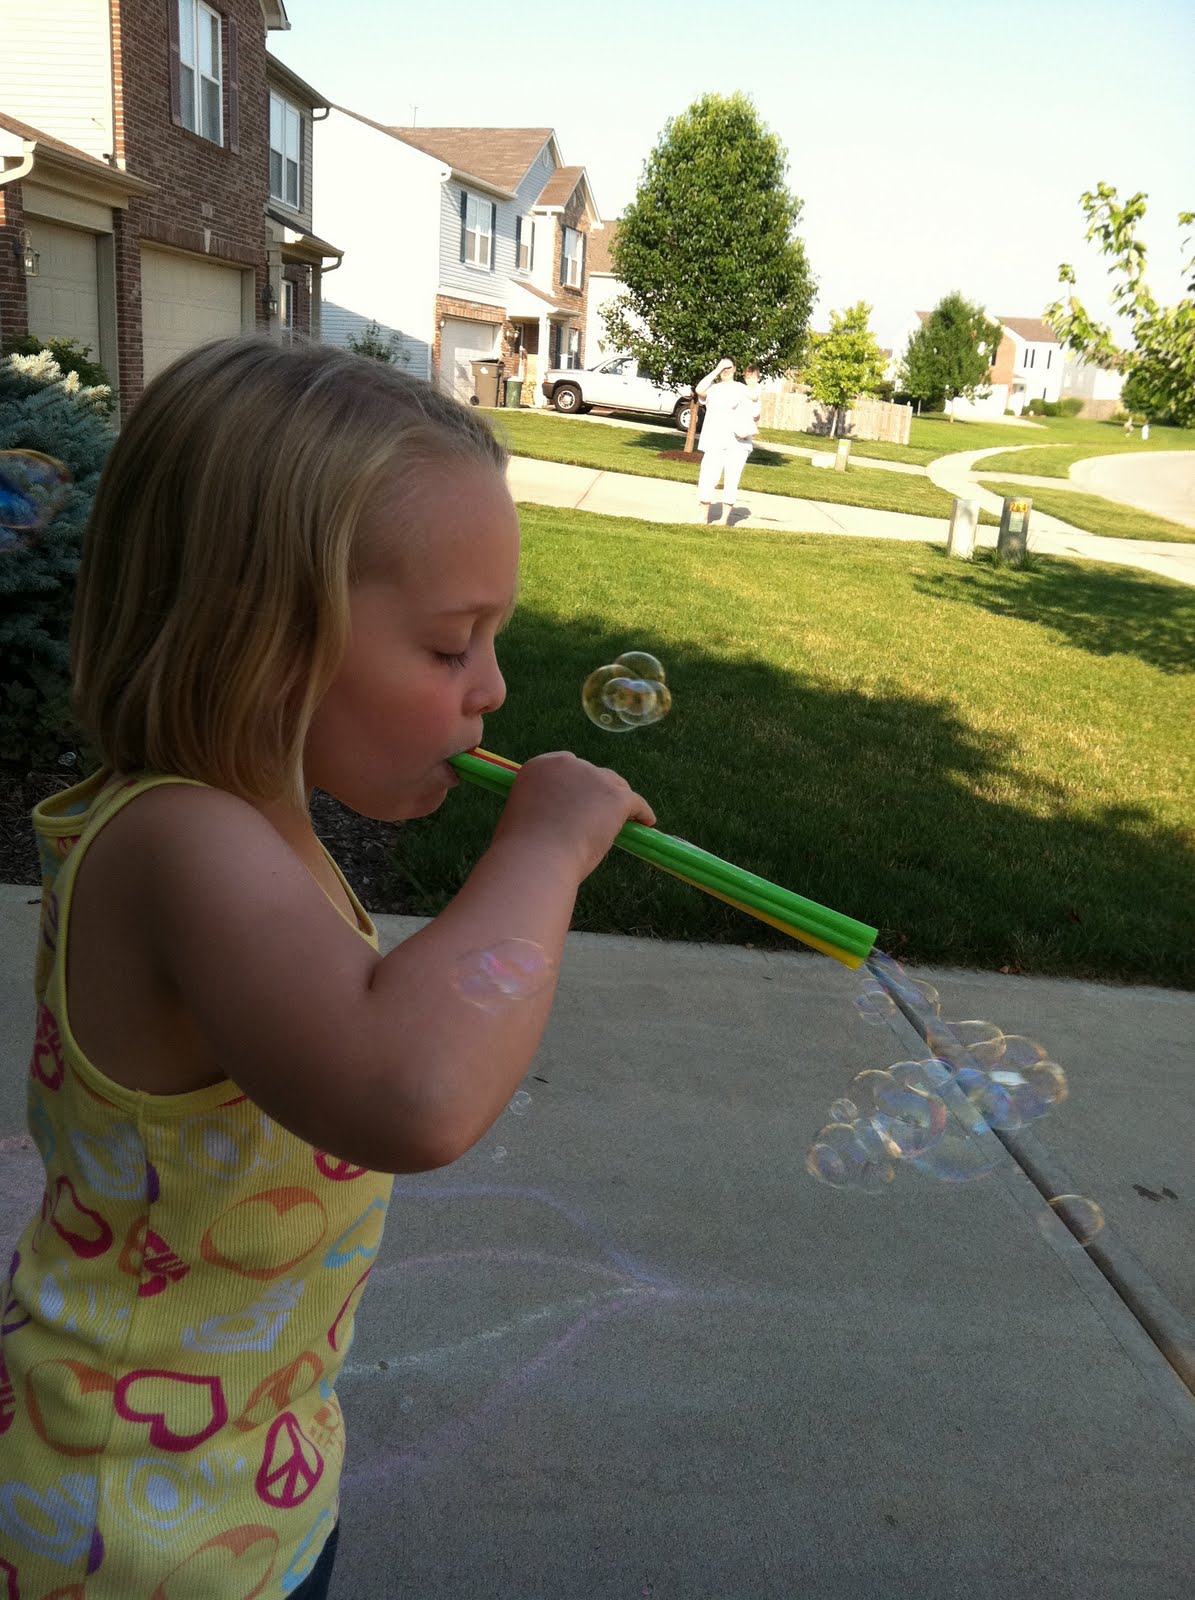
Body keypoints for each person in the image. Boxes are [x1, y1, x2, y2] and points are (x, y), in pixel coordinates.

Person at [0, 338, 655, 1597]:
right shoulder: (184, 844)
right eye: (451, 645)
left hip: (231, 1477)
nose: (494, 690)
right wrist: (545, 851)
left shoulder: (245, 831)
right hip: (131, 1531)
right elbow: (410, 1088)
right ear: (266, 634)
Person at [694, 359, 763, 523]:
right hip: (714, 440)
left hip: (737, 443)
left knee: (731, 479)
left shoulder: (742, 389)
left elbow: (755, 410)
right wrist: (716, 370)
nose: (725, 370)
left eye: (728, 367)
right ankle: (703, 516)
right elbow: (699, 389)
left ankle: (724, 519)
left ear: (735, 369)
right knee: (707, 477)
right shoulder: (713, 389)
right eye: (722, 367)